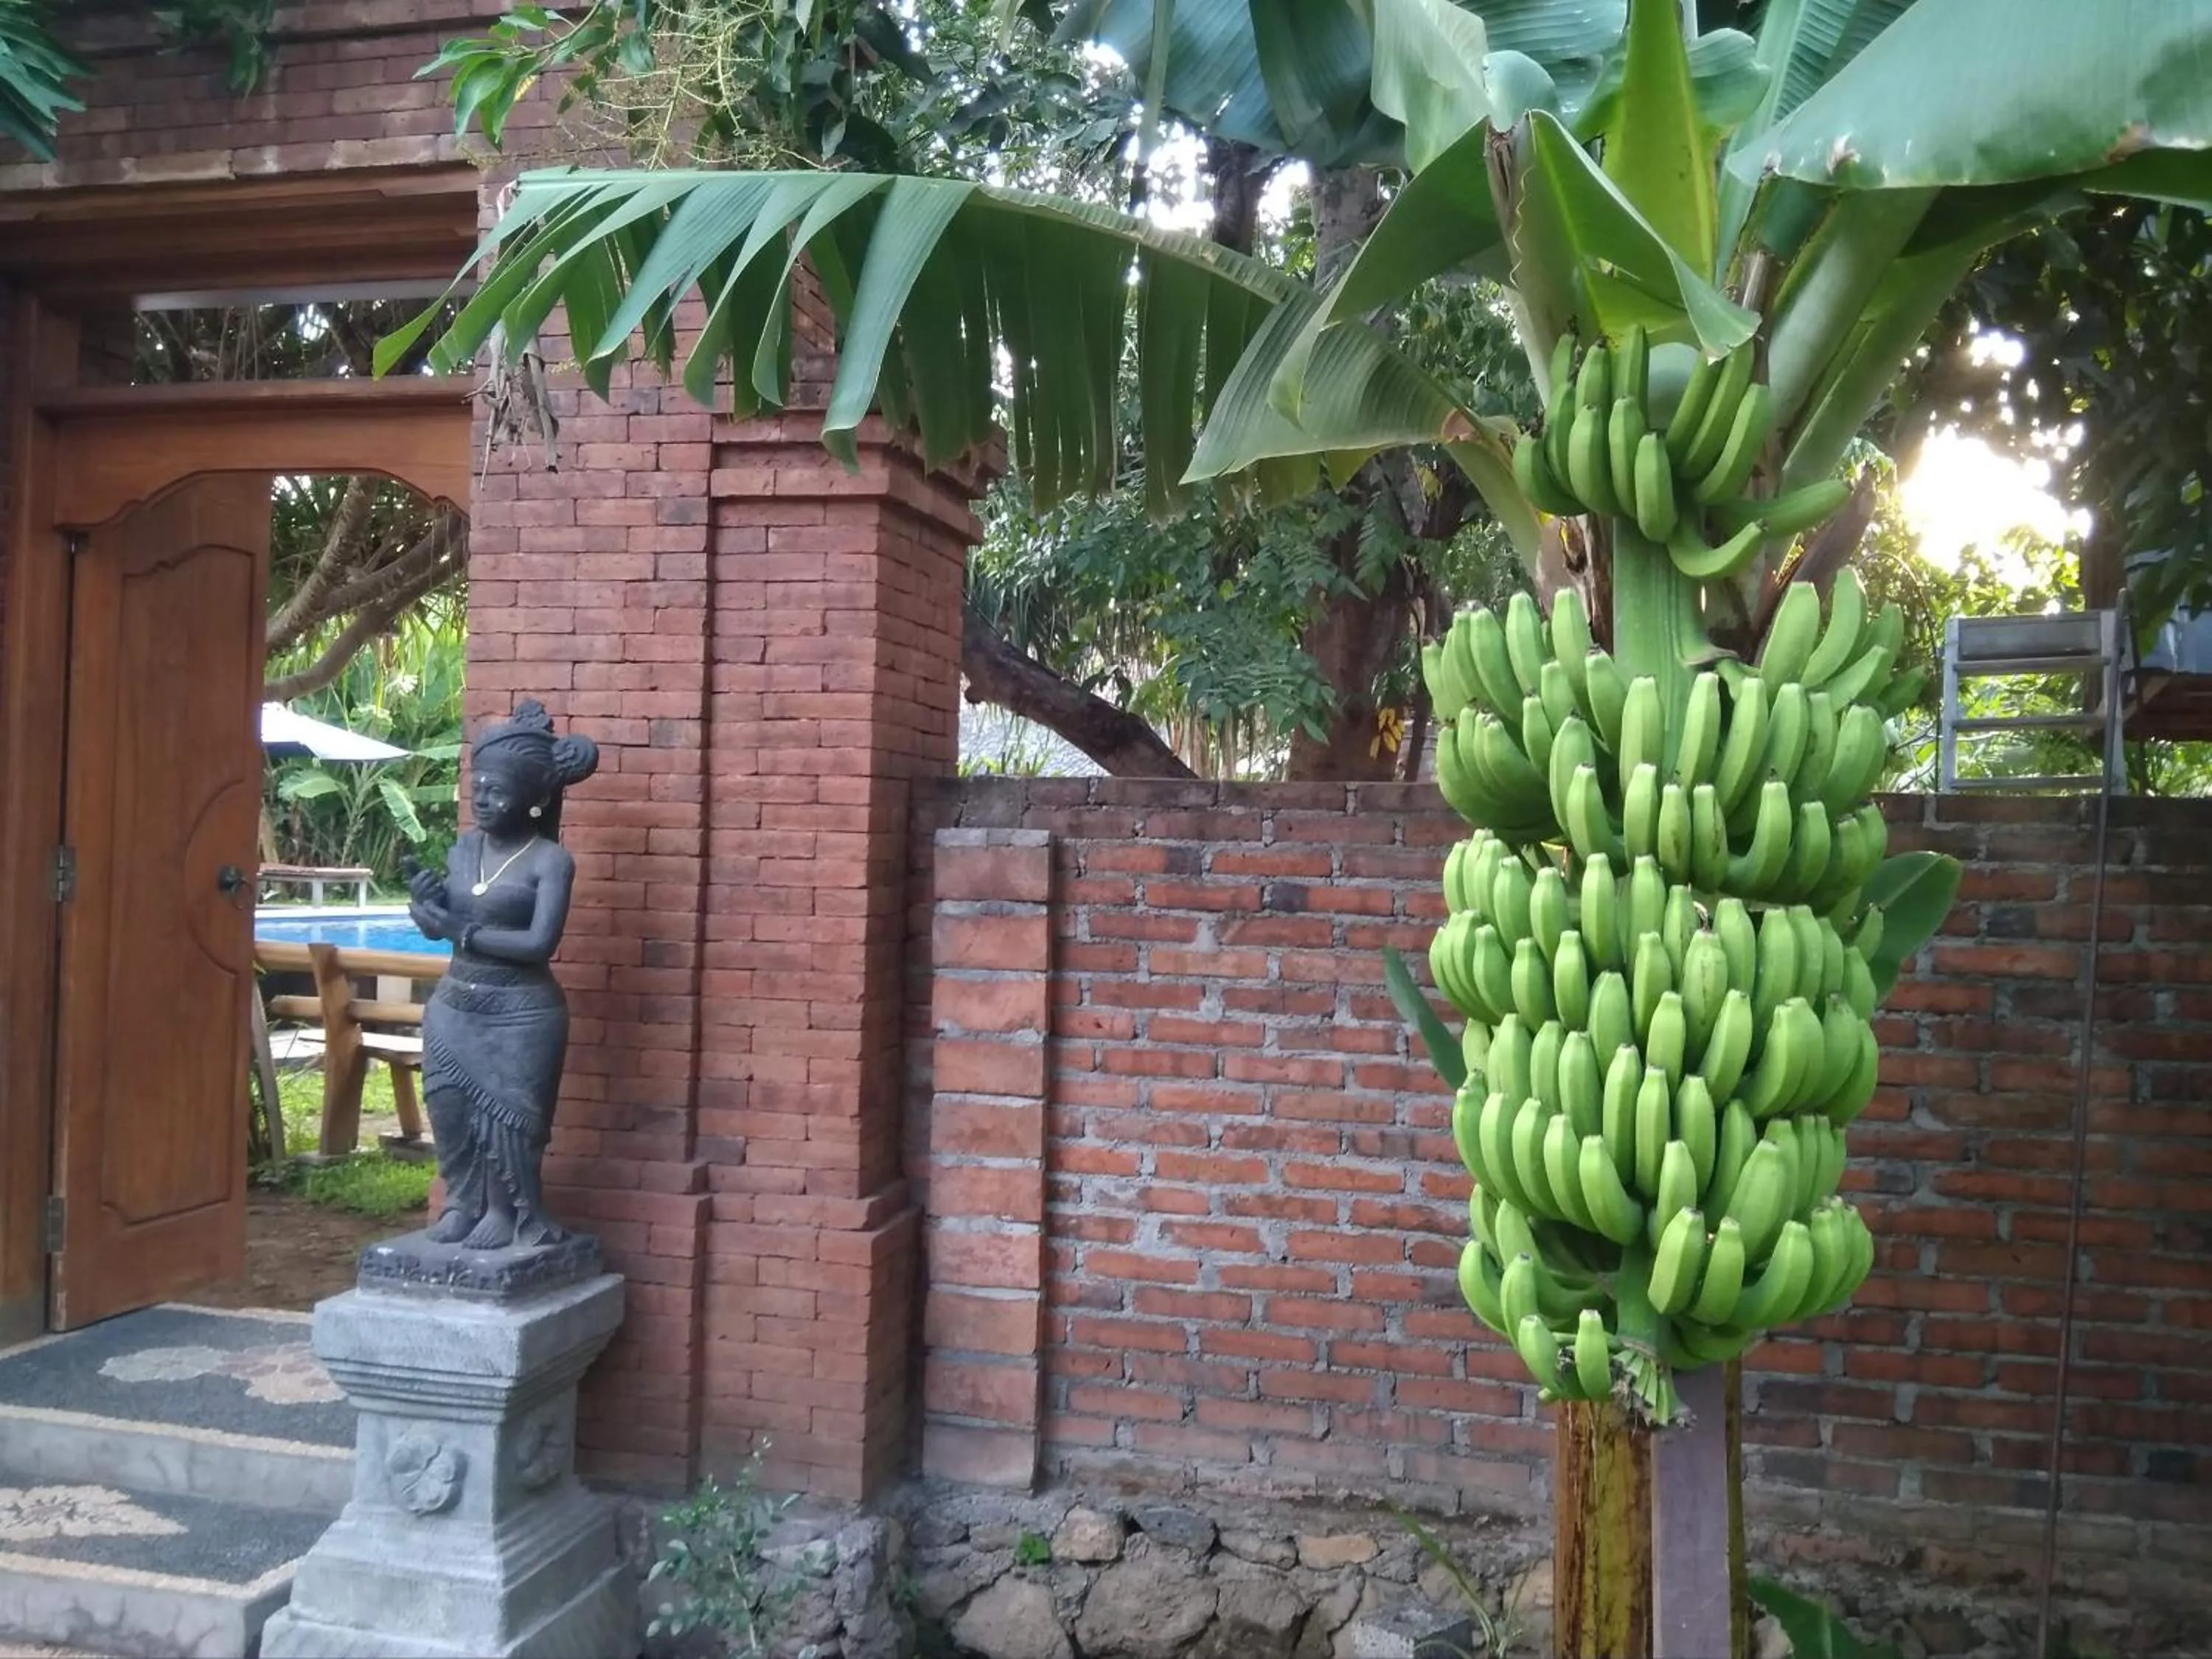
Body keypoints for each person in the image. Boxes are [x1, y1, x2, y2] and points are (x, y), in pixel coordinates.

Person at [405, 700, 597, 1250]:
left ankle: (506, 1211)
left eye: (498, 791)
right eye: (478, 788)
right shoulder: (466, 850)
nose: (484, 800)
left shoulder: (549, 862)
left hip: (521, 1015)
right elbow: (434, 926)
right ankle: (461, 1202)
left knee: (508, 1122)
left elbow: (539, 944)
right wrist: (427, 907)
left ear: (536, 800)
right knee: (449, 1108)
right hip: (454, 1006)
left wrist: (460, 930)